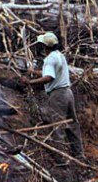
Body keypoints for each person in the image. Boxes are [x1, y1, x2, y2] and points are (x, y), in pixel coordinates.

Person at [20, 32, 85, 162]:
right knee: (72, 125)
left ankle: (61, 159)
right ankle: (79, 155)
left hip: (58, 96)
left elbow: (49, 77)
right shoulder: (59, 56)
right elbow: (51, 71)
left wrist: (30, 82)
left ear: (45, 46)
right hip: (68, 93)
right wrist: (34, 72)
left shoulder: (49, 59)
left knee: (57, 127)